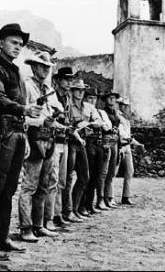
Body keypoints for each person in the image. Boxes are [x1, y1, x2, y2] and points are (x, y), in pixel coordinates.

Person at [0, 23, 43, 260]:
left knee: (9, 188)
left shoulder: (15, 72)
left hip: (18, 132)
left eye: (21, 45)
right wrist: (24, 108)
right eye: (14, 42)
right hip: (3, 132)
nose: (18, 47)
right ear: (1, 43)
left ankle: (1, 238)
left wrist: (24, 119)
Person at [18, 51, 64, 240]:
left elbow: (54, 113)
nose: (45, 70)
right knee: (29, 185)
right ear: (33, 67)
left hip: (49, 139)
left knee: (44, 184)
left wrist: (57, 117)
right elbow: (22, 116)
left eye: (47, 67)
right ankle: (26, 227)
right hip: (33, 137)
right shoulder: (26, 87)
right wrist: (41, 122)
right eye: (41, 66)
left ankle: (39, 224)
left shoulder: (49, 90)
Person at [63, 79, 102, 222]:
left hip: (82, 143)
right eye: (77, 90)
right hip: (72, 142)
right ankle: (66, 211)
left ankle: (75, 208)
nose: (80, 92)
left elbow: (97, 122)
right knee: (67, 178)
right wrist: (79, 128)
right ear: (72, 91)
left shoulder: (84, 107)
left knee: (84, 176)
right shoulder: (68, 105)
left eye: (82, 90)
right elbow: (69, 124)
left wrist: (88, 125)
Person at [44, 67, 76, 230]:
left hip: (65, 141)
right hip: (54, 141)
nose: (70, 83)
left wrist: (70, 127)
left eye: (71, 80)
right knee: (53, 180)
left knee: (62, 180)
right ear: (58, 81)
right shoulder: (52, 96)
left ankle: (57, 214)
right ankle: (48, 217)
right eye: (67, 79)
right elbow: (49, 118)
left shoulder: (68, 99)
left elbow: (67, 119)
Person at [79, 87, 113, 216]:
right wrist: (94, 123)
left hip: (98, 143)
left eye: (95, 98)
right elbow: (91, 124)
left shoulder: (98, 111)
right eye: (90, 98)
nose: (93, 100)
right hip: (87, 143)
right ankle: (81, 205)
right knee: (86, 175)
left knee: (96, 176)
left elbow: (105, 125)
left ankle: (89, 204)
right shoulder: (84, 109)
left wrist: (95, 123)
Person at [116, 96, 145, 205]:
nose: (125, 107)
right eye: (123, 105)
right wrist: (135, 142)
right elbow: (122, 133)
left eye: (127, 106)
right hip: (120, 146)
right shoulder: (117, 117)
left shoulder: (126, 118)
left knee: (130, 171)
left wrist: (132, 141)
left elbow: (127, 134)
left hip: (127, 146)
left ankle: (126, 196)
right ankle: (107, 197)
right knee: (113, 172)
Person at [100, 91, 121, 209]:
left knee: (112, 170)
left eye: (114, 98)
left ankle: (109, 196)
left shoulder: (115, 112)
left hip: (115, 141)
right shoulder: (103, 112)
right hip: (107, 140)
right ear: (106, 100)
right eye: (110, 98)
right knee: (104, 170)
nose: (112, 100)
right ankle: (101, 198)